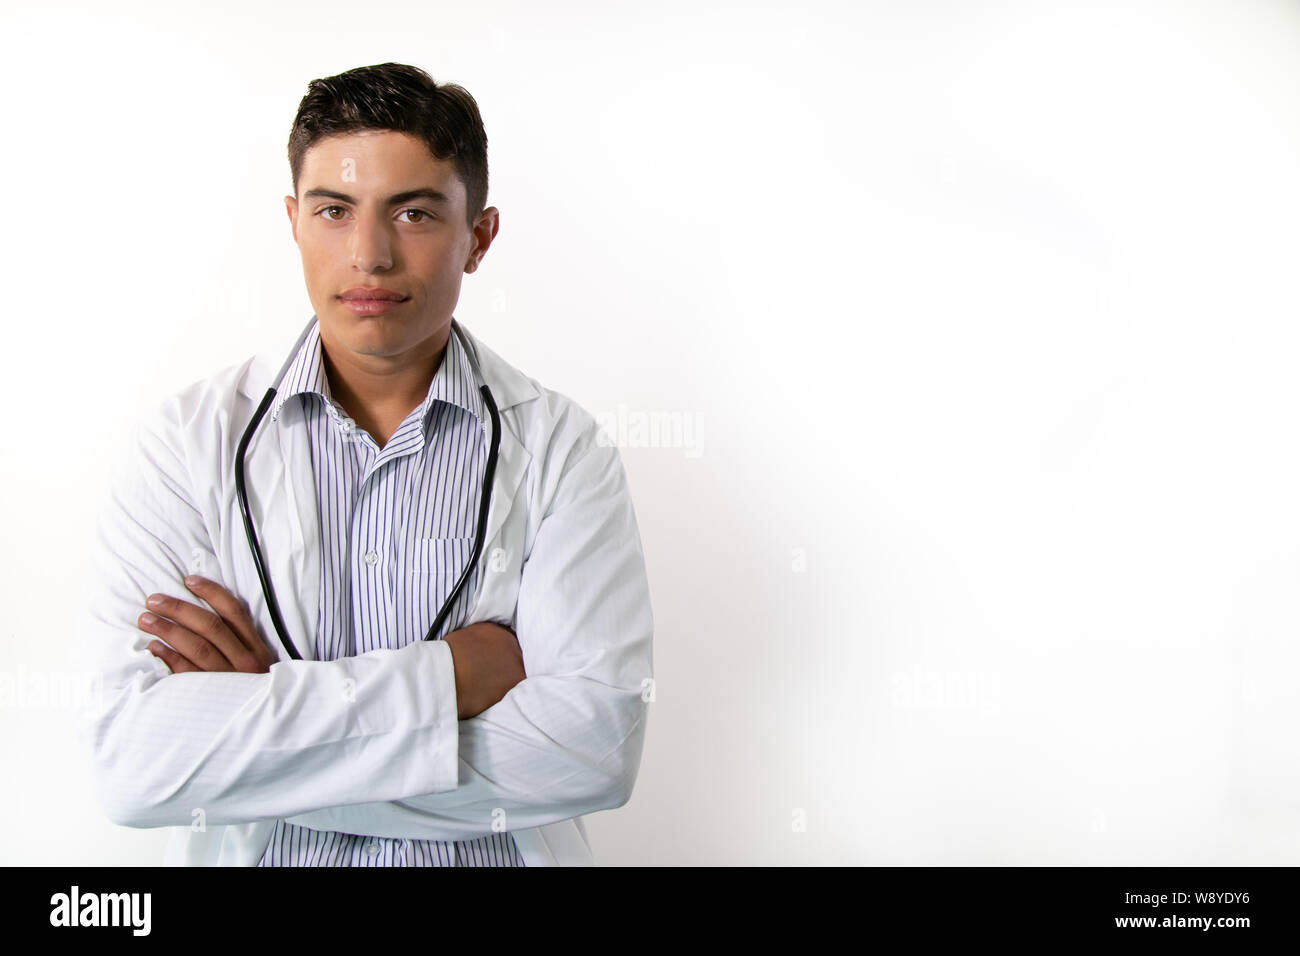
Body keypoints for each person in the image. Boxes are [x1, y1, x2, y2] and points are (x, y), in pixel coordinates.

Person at [76, 62, 654, 867]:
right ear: (293, 223)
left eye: (413, 213)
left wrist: (256, 719)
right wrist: (449, 680)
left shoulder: (563, 450)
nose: (370, 255)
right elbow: (135, 766)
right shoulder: (184, 446)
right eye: (334, 211)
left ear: (478, 237)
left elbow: (589, 753)